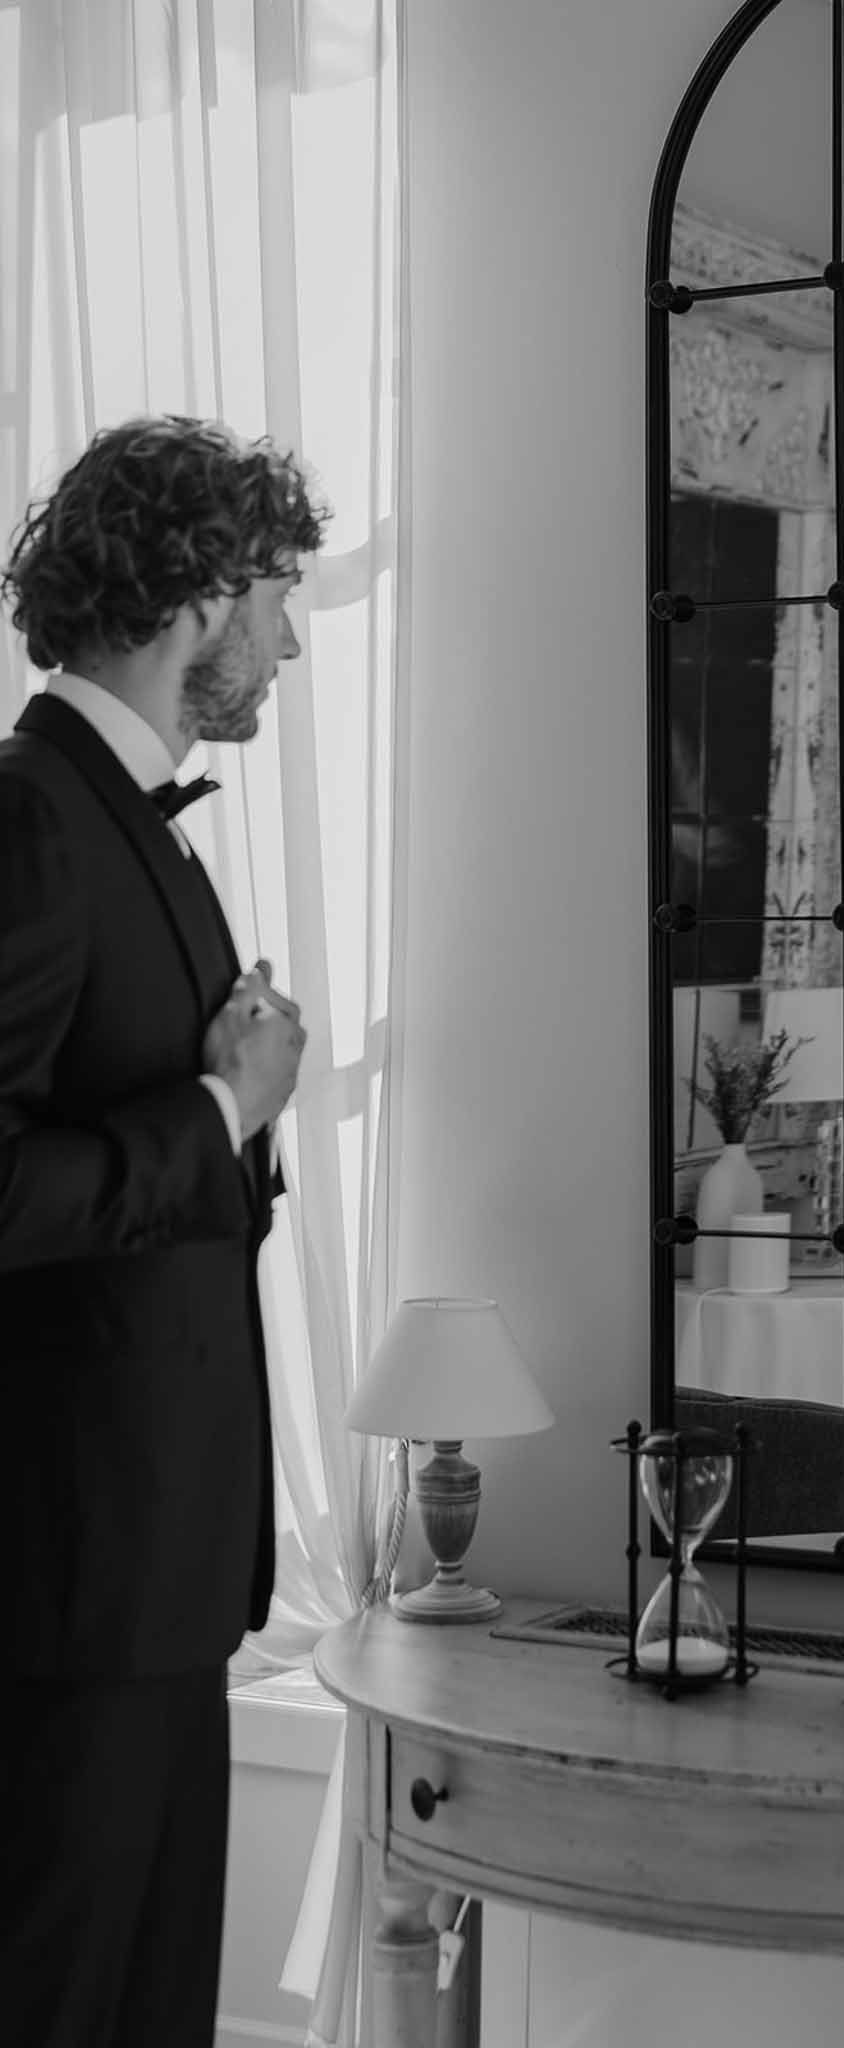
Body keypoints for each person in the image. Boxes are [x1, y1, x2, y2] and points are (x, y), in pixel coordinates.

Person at [0, 415, 327, 2047]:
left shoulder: (137, 822)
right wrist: (218, 1108)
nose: (287, 641)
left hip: (154, 1573)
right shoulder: (32, 822)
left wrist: (230, 1118)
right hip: (67, 1581)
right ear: (200, 594)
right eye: (275, 598)